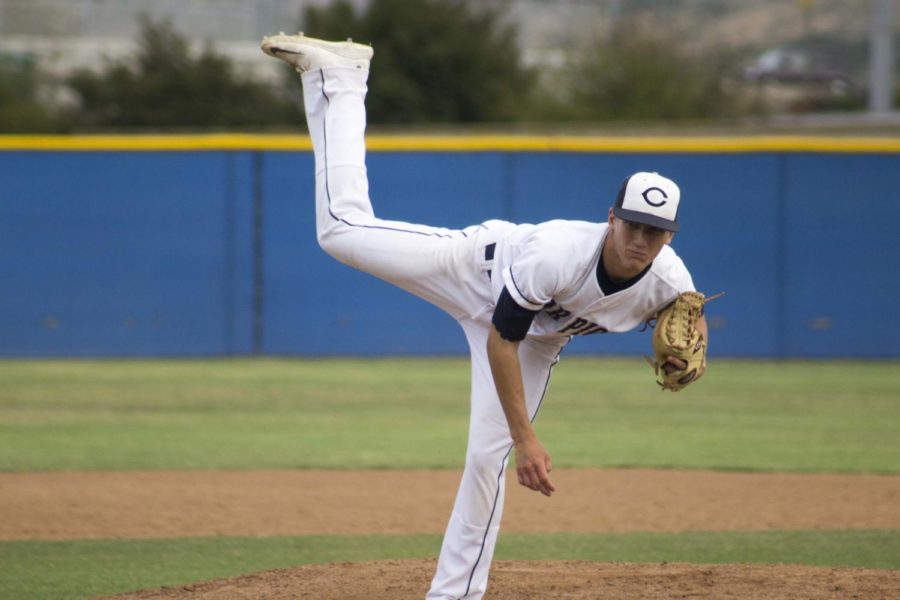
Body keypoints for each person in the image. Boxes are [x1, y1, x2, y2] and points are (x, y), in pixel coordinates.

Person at [260, 34, 709, 600]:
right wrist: (528, 439)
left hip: (539, 341)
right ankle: (342, 78)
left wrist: (687, 351)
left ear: (669, 235)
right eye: (632, 224)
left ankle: (455, 595)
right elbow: (502, 338)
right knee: (340, 232)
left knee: (483, 458)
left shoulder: (671, 281)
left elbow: (691, 326)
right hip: (476, 271)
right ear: (611, 218)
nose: (641, 239)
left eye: (655, 230)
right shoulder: (559, 254)